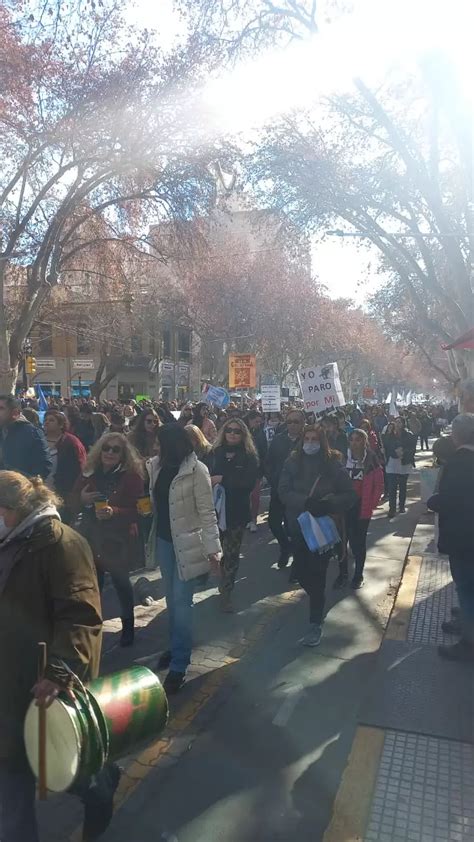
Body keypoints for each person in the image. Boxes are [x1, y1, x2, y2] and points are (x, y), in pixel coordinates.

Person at [0, 471, 116, 842]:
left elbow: (81, 615)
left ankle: (97, 782)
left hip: (40, 681)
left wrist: (59, 670)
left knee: (52, 760)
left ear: (13, 510)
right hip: (8, 678)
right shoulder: (9, 540)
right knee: (14, 774)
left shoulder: (62, 545)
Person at [146, 424, 221, 692]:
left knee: (182, 602)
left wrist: (214, 550)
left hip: (188, 544)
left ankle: (179, 663)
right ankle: (175, 645)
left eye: (159, 442)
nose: (155, 446)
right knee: (171, 600)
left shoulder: (197, 470)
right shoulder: (155, 466)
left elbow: (207, 512)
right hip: (164, 542)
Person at [279, 424, 357, 646]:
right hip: (297, 527)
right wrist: (305, 502)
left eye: (315, 439)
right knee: (302, 574)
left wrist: (327, 505)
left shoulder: (332, 464)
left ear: (322, 442)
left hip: (322, 532)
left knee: (318, 575)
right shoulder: (292, 462)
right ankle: (316, 597)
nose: (310, 443)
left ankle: (315, 621)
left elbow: (350, 495)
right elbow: (283, 491)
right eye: (307, 438)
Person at [72, 432, 144, 647]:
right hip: (91, 536)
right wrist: (83, 499)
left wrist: (116, 512)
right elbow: (72, 501)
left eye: (116, 449)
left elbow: (140, 510)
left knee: (122, 583)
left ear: (123, 454)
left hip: (117, 540)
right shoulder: (89, 472)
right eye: (106, 448)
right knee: (93, 585)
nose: (110, 453)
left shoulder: (132, 476)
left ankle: (128, 627)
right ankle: (92, 628)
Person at [428, 414, 474, 662]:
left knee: (467, 588)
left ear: (457, 435)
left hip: (464, 537)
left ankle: (468, 642)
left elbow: (449, 500)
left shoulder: (460, 462)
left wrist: (431, 500)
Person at [211, 418, 259, 612]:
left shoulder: (249, 457)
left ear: (243, 435)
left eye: (237, 431)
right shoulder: (213, 454)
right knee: (215, 552)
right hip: (212, 512)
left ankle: (226, 591)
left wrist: (223, 479)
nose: (232, 433)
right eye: (229, 430)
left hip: (235, 513)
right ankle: (218, 580)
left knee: (231, 554)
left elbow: (247, 483)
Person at [339, 429, 384, 589]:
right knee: (342, 542)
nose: (354, 443)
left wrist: (371, 504)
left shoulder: (371, 460)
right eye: (351, 440)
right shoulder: (343, 459)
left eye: (358, 440)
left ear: (364, 442)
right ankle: (342, 574)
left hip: (362, 507)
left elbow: (378, 485)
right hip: (344, 506)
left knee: (358, 543)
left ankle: (358, 574)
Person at [265, 409, 305, 569]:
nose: (292, 425)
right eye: (289, 422)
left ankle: (297, 562)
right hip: (278, 489)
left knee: (294, 527)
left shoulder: (308, 441)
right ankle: (285, 546)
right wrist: (273, 479)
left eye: (296, 422)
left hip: (298, 493)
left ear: (303, 423)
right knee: (274, 522)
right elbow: (268, 462)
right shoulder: (278, 440)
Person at [43, 410, 86, 522]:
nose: (47, 422)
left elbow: (80, 466)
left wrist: (75, 492)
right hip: (42, 489)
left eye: (51, 420)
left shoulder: (71, 442)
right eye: (46, 420)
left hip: (63, 491)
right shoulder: (39, 440)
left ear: (61, 424)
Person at [0, 395, 51, 479]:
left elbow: (44, 467)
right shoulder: (2, 431)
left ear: (15, 413)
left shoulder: (33, 433)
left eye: (1, 408)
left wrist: (23, 484)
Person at [383, 418, 416, 518]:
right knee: (392, 487)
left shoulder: (409, 435)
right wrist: (393, 452)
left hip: (404, 462)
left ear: (403, 424)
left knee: (402, 486)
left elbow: (412, 448)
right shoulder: (390, 435)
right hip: (392, 462)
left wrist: (404, 452)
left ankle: (401, 506)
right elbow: (386, 447)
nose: (397, 424)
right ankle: (392, 508)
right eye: (396, 422)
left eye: (400, 422)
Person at [245, 410, 268, 533]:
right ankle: (247, 518)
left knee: (255, 496)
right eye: (256, 421)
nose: (258, 424)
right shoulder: (242, 432)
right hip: (243, 470)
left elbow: (264, 453)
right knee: (244, 497)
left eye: (260, 422)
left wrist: (263, 472)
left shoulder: (261, 433)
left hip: (256, 470)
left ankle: (253, 519)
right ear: (249, 420)